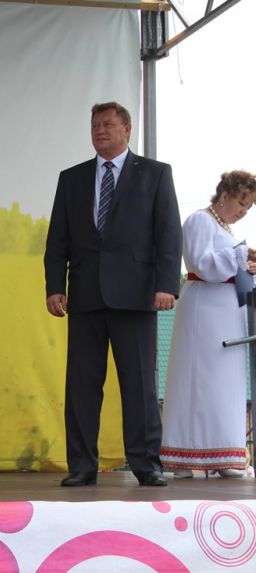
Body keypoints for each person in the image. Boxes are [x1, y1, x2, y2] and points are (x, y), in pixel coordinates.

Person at [44, 101, 182, 487]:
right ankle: (82, 466)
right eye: (95, 125)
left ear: (127, 129)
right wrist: (55, 287)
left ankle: (146, 464)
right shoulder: (72, 178)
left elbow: (169, 233)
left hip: (137, 297)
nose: (100, 130)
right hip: (85, 296)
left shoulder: (155, 174)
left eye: (107, 124)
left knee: (139, 386)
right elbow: (57, 240)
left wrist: (166, 285)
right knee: (82, 387)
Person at [160, 171, 256, 479]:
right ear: (225, 195)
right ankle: (186, 454)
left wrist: (247, 266)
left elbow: (228, 263)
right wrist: (240, 255)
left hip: (226, 310)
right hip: (204, 309)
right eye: (241, 203)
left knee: (223, 381)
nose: (244, 211)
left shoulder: (224, 228)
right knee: (199, 378)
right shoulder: (200, 220)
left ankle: (223, 453)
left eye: (249, 207)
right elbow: (200, 263)